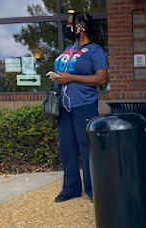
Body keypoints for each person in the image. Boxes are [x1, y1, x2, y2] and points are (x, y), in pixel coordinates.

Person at [47, 12, 108, 203]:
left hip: (84, 106)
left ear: (82, 26)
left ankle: (93, 189)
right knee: (67, 148)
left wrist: (71, 78)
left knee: (87, 148)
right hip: (64, 107)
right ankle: (71, 188)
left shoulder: (95, 50)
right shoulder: (68, 48)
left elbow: (101, 78)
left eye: (70, 23)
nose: (67, 26)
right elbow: (63, 72)